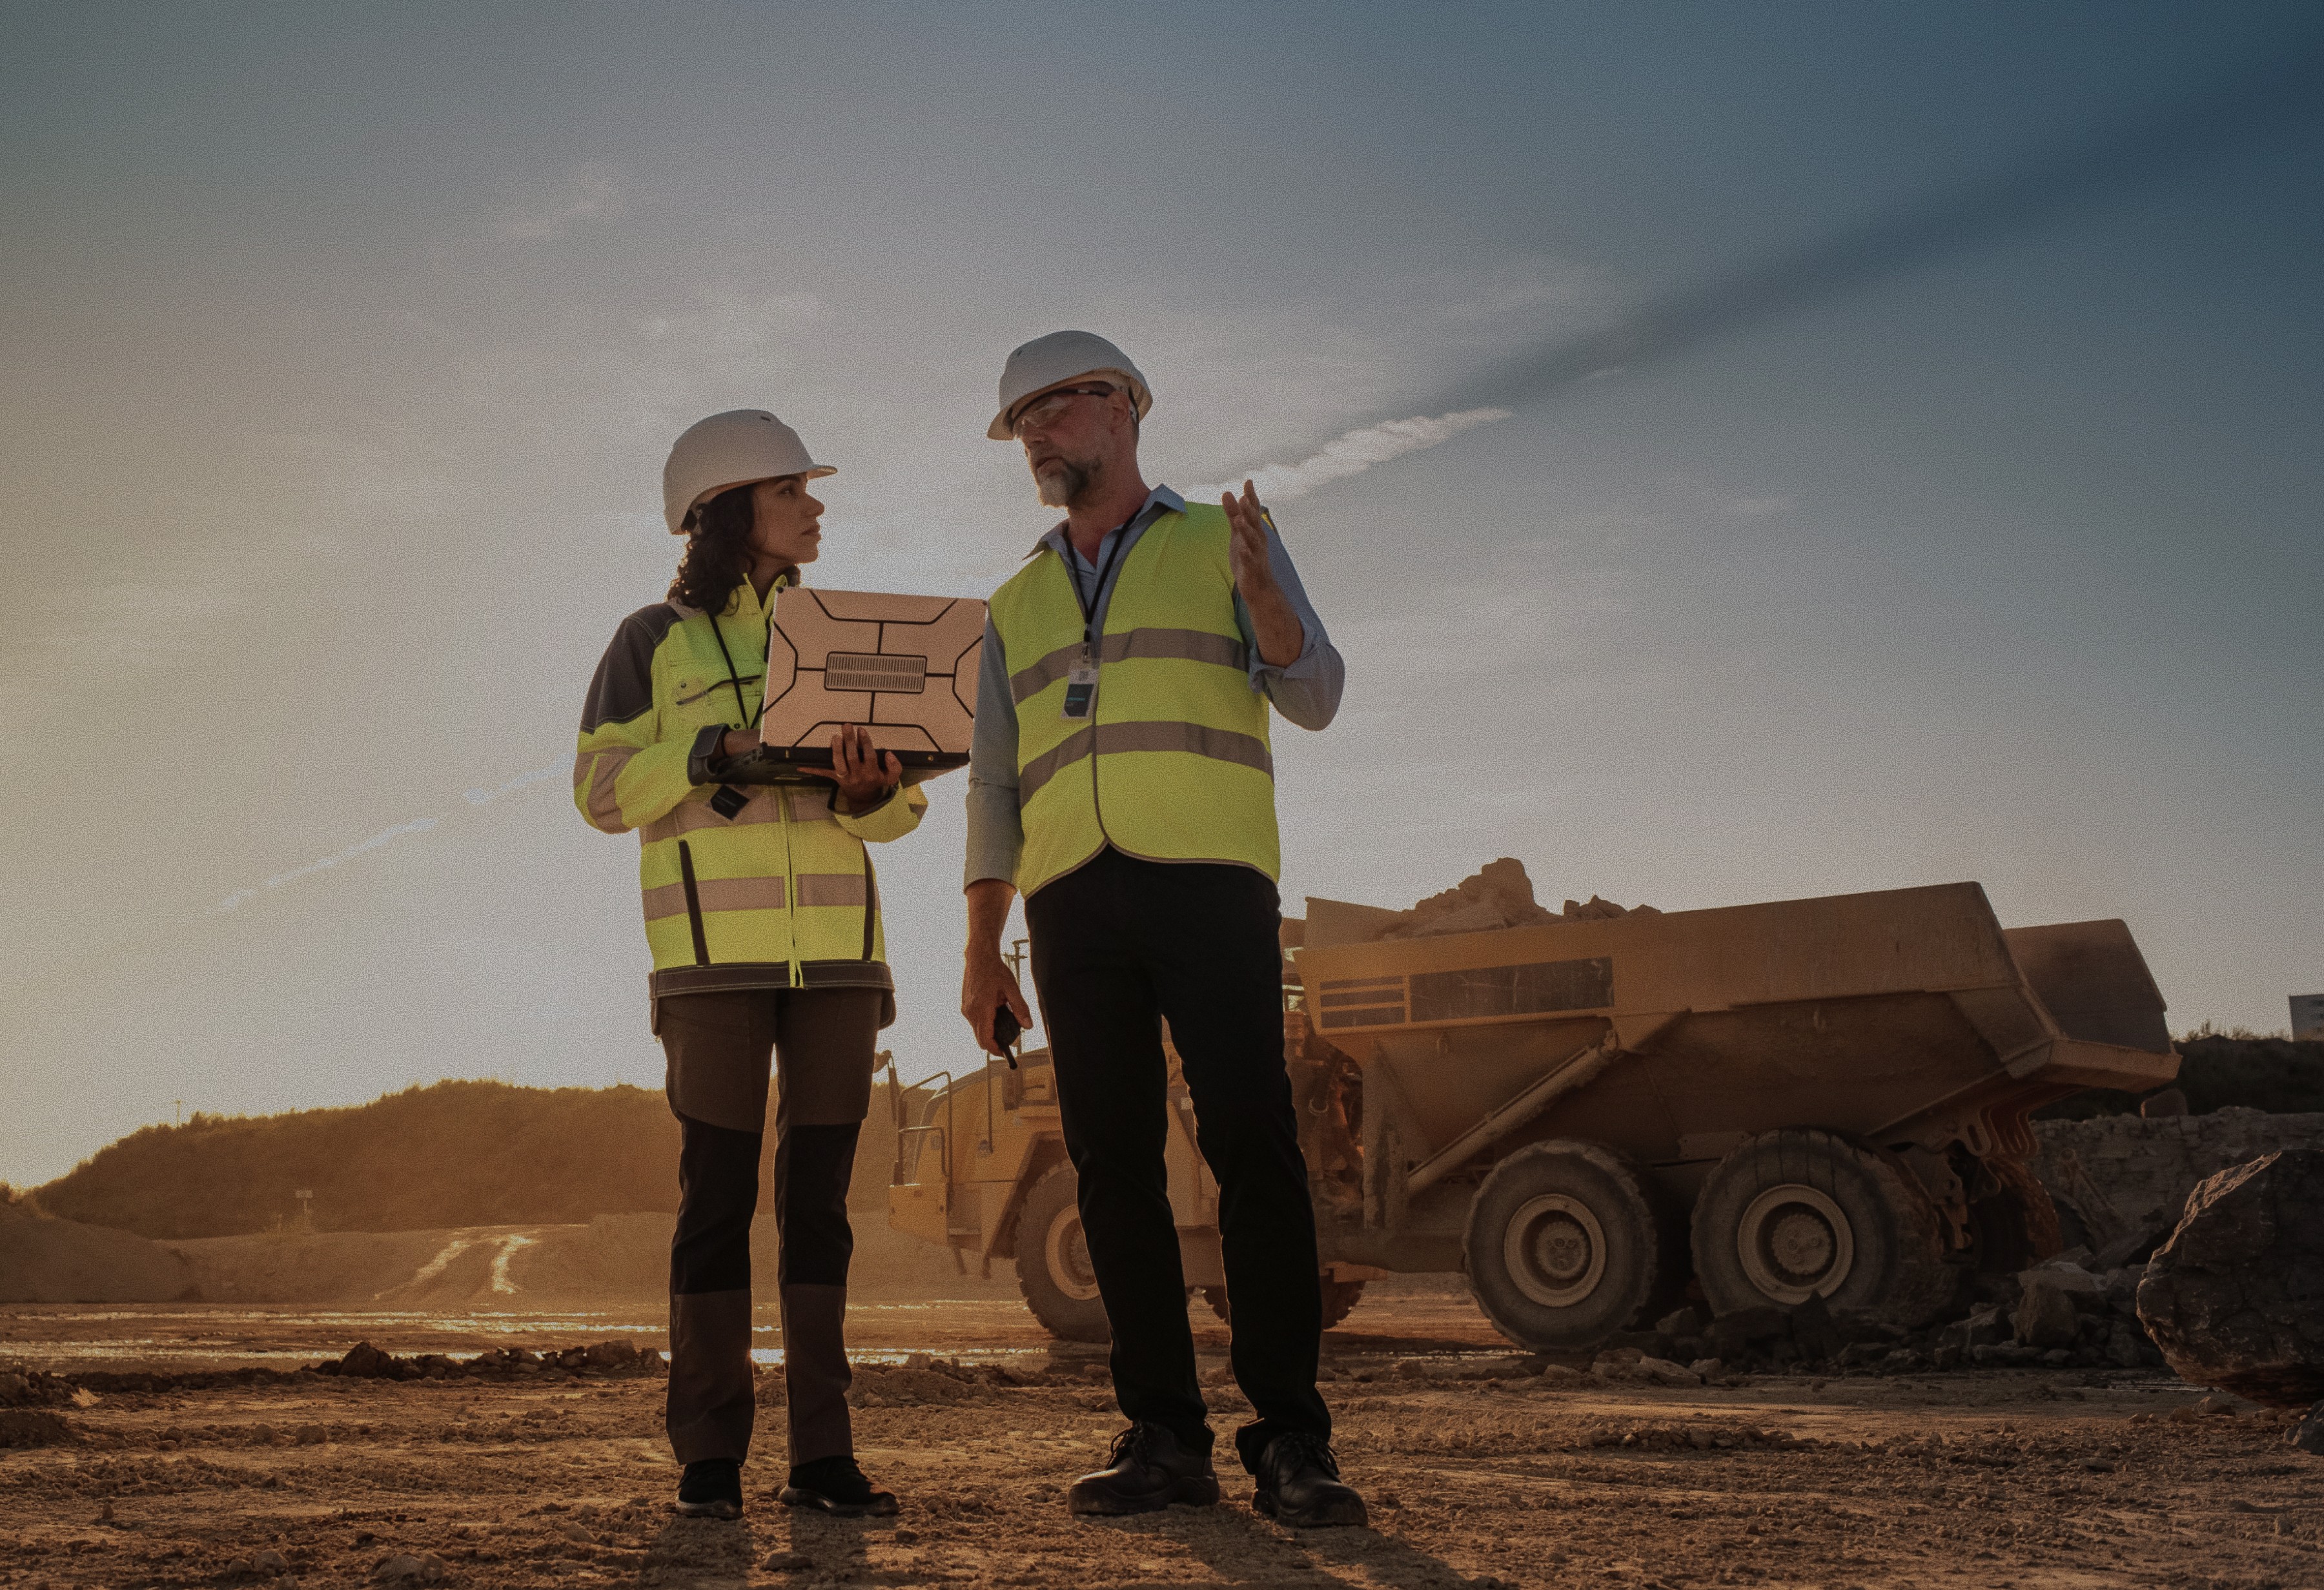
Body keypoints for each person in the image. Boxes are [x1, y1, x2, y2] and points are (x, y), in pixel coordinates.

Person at [957, 332, 1364, 1527]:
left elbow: (1317, 694)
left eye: (1058, 409)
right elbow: (991, 788)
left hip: (1209, 878)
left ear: (1124, 410)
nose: (1037, 433)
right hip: (1072, 895)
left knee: (1252, 1145)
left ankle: (1292, 1440)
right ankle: (1162, 1437)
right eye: (1021, 419)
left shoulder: (1220, 542)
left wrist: (1265, 606)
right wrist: (983, 948)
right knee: (1111, 1166)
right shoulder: (1014, 601)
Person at [574, 409, 925, 1520]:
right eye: (793, 491)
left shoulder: (843, 635)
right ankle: (709, 1457)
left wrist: (874, 792)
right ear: (728, 509)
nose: (816, 507)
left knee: (819, 1210)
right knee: (716, 1205)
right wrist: (701, 754)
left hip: (837, 967)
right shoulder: (649, 640)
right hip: (710, 968)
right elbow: (595, 792)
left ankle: (823, 1458)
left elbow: (903, 804)